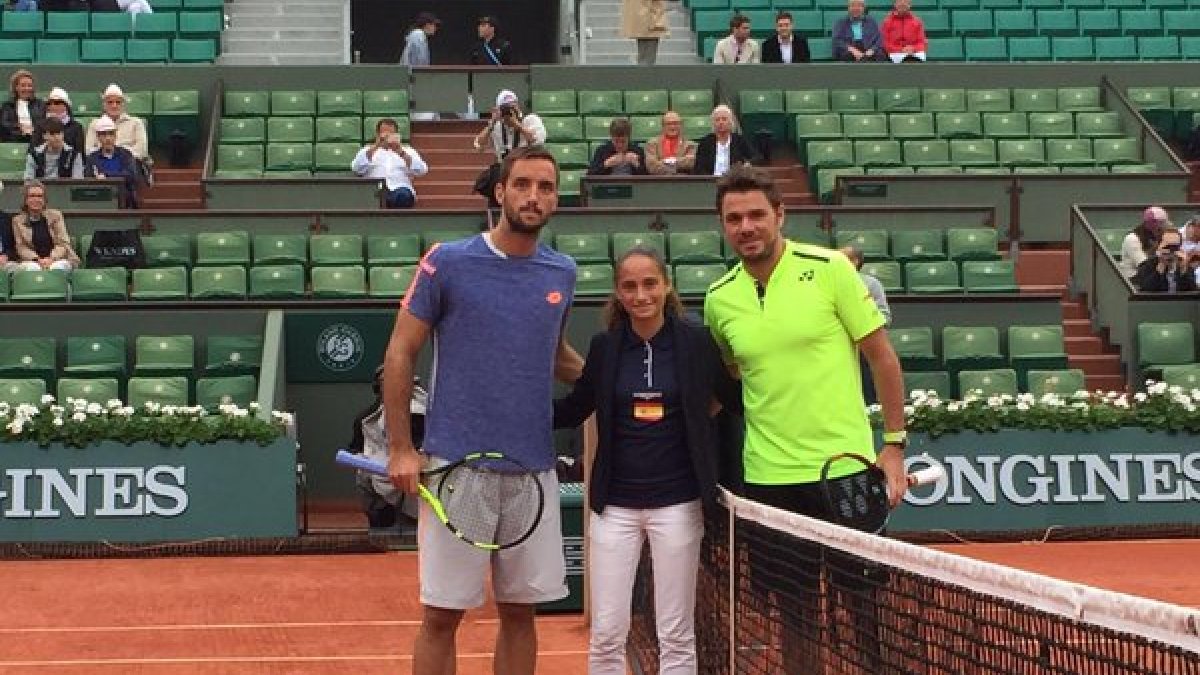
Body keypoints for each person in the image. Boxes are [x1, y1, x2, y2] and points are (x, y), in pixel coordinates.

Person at [382, 146, 584, 675]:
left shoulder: (563, 273)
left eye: (544, 186)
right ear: (501, 192)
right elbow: (400, 352)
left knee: (522, 613)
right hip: (456, 468)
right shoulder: (446, 261)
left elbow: (557, 356)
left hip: (533, 469)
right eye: (522, 185)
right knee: (442, 617)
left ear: (555, 197)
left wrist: (618, 379)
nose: (533, 196)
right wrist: (401, 447)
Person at [704, 166, 907, 671]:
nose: (746, 226)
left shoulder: (833, 269)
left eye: (756, 215)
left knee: (864, 611)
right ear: (723, 225)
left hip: (845, 472)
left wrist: (894, 445)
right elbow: (733, 376)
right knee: (794, 613)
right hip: (769, 480)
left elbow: (881, 357)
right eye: (734, 218)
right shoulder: (718, 299)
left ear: (780, 215)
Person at [553, 245, 740, 675]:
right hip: (614, 507)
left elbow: (734, 402)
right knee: (606, 632)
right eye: (630, 286)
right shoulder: (604, 347)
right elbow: (575, 406)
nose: (641, 295)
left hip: (678, 503)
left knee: (675, 632)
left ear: (666, 285)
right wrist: (514, 414)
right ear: (618, 294)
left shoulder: (696, 342)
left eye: (649, 284)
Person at [347, 365, 425, 534]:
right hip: (379, 468)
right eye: (386, 381)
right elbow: (356, 448)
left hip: (420, 467)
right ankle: (381, 522)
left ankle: (413, 523)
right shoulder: (365, 418)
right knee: (364, 476)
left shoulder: (422, 411)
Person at [472, 90, 546, 208]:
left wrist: (517, 125)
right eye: (505, 108)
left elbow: (537, 141)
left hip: (526, 165)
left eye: (513, 106)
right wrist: (491, 124)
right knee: (492, 179)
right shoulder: (496, 126)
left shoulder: (530, 120)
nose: (510, 111)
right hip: (504, 169)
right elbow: (478, 146)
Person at [351, 118, 428, 209]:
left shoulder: (408, 151)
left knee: (403, 196)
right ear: (378, 135)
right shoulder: (367, 150)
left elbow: (422, 170)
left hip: (399, 189)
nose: (387, 137)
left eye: (391, 134)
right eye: (384, 134)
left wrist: (401, 153)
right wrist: (376, 146)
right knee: (372, 198)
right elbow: (356, 168)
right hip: (375, 190)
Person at [11, 179, 80, 272]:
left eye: (40, 196)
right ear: (26, 200)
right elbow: (21, 247)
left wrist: (51, 259)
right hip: (32, 261)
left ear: (44, 200)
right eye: (32, 196)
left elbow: (63, 243)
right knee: (33, 268)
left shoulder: (55, 216)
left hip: (59, 259)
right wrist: (37, 259)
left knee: (56, 268)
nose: (36, 199)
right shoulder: (17, 220)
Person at [85, 116, 141, 209]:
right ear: (98, 137)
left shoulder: (126, 154)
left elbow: (131, 176)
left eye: (111, 134)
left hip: (124, 199)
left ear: (115, 136)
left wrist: (106, 176)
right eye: (104, 135)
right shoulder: (92, 158)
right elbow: (89, 178)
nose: (108, 138)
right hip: (100, 200)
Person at [85, 83, 149, 161]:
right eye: (110, 102)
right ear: (104, 105)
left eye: (118, 102)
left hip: (130, 166)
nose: (114, 105)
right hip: (101, 165)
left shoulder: (136, 123)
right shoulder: (94, 124)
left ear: (123, 104)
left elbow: (142, 151)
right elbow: (88, 150)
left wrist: (116, 155)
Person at [692, 105, 757, 177]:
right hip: (710, 182)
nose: (721, 122)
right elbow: (698, 168)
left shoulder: (740, 141)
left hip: (733, 181)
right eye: (717, 120)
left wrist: (747, 165)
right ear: (713, 123)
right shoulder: (705, 143)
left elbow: (756, 158)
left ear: (730, 122)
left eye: (724, 119)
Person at [1133, 227, 1198, 293]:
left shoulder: (1186, 268)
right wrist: (1159, 270)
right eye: (1167, 246)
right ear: (1159, 246)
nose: (1171, 250)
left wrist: (1183, 271)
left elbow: (1193, 296)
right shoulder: (1146, 266)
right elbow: (1143, 293)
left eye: (1175, 247)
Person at [1118, 206, 1167, 280]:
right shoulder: (1132, 238)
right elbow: (1143, 265)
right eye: (1161, 223)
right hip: (1133, 279)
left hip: (1151, 276)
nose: (1163, 227)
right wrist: (1160, 254)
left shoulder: (1158, 237)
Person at [645, 111, 697, 175]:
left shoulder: (690, 145)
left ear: (681, 125)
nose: (672, 127)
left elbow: (690, 163)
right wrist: (678, 164)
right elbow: (652, 166)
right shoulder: (652, 144)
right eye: (669, 124)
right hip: (659, 182)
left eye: (676, 123)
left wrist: (664, 162)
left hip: (682, 182)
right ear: (663, 126)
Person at [33, 87, 85, 152]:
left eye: (57, 103)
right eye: (49, 103)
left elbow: (79, 153)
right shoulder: (40, 126)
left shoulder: (77, 127)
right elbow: (33, 151)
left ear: (66, 105)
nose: (52, 106)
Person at [0, 69, 45, 143]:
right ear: (16, 87)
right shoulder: (7, 106)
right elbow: (4, 124)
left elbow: (44, 123)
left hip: (36, 139)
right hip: (14, 140)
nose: (27, 88)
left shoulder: (40, 104)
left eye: (29, 86)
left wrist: (33, 129)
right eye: (23, 85)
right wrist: (20, 127)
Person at [622, 0, 669, 66]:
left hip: (643, 15)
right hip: (649, 16)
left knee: (644, 55)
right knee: (647, 56)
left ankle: (643, 70)